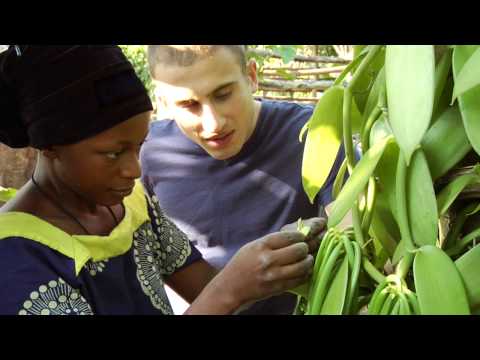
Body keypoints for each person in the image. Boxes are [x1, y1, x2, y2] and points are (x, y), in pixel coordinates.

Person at [0, 45, 325, 315]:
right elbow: (220, 295)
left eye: (139, 146)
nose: (136, 170)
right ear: (51, 148)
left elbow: (207, 288)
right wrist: (230, 289)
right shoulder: (17, 260)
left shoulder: (132, 204)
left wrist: (272, 261)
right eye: (114, 153)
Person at [141, 45, 345, 314]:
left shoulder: (311, 134)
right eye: (189, 105)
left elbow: (354, 229)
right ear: (163, 102)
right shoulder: (144, 156)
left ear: (251, 76)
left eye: (223, 95)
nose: (213, 124)